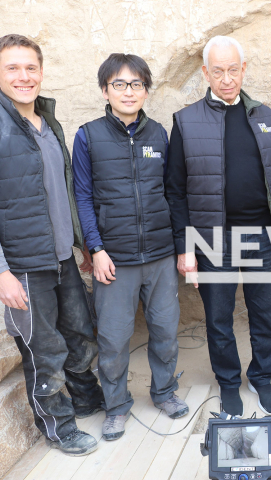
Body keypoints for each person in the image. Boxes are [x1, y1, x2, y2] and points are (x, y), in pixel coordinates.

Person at [165, 36, 271, 417]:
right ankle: (228, 382)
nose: (227, 78)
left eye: (233, 69)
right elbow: (175, 192)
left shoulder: (265, 116)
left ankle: (262, 377)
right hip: (213, 242)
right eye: (218, 71)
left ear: (244, 69)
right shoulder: (186, 121)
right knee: (219, 320)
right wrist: (185, 247)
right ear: (206, 73)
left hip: (263, 238)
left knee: (265, 316)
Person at [72, 53, 188, 441]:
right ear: (105, 90)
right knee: (114, 338)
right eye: (119, 84)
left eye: (136, 84)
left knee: (165, 332)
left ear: (147, 90)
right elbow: (83, 198)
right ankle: (117, 406)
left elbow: (171, 193)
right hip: (114, 260)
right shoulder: (87, 136)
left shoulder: (159, 134)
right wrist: (96, 248)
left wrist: (178, 247)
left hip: (159, 255)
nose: (128, 91)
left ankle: (165, 393)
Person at [0, 34, 103, 456]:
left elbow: (60, 191)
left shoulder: (48, 122)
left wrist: (80, 246)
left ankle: (85, 398)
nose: (24, 76)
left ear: (41, 72)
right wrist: (1, 271)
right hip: (24, 264)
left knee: (79, 334)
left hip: (62, 257)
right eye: (12, 68)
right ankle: (60, 427)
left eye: (30, 68)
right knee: (44, 351)